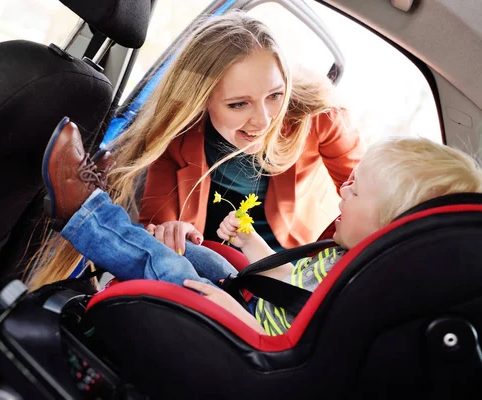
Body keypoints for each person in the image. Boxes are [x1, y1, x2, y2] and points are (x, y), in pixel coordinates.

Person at [34, 119, 482, 336]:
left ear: (389, 231)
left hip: (245, 336)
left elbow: (299, 344)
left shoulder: (357, 288)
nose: (344, 189)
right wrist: (251, 241)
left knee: (172, 270)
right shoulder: (339, 257)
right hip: (249, 305)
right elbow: (285, 288)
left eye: (357, 189)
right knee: (209, 257)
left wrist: (236, 319)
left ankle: (86, 212)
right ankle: (111, 230)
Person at [32, 11, 361, 289]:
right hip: (215, 265)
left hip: (288, 276)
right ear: (202, 99)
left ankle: (86, 209)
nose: (262, 120)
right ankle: (85, 208)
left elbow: (375, 207)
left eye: (275, 95)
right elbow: (160, 229)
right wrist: (173, 230)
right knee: (179, 259)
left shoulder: (322, 120)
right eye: (238, 104)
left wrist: (318, 271)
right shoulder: (178, 138)